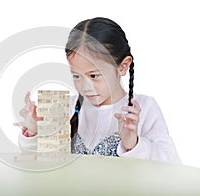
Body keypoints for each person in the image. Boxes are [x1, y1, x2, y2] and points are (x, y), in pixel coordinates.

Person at [14, 17, 181, 163]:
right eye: (77, 76)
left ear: (123, 66)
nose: (85, 87)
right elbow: (42, 166)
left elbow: (171, 167)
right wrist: (33, 131)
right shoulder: (66, 107)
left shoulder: (143, 108)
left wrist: (133, 144)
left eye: (94, 76)